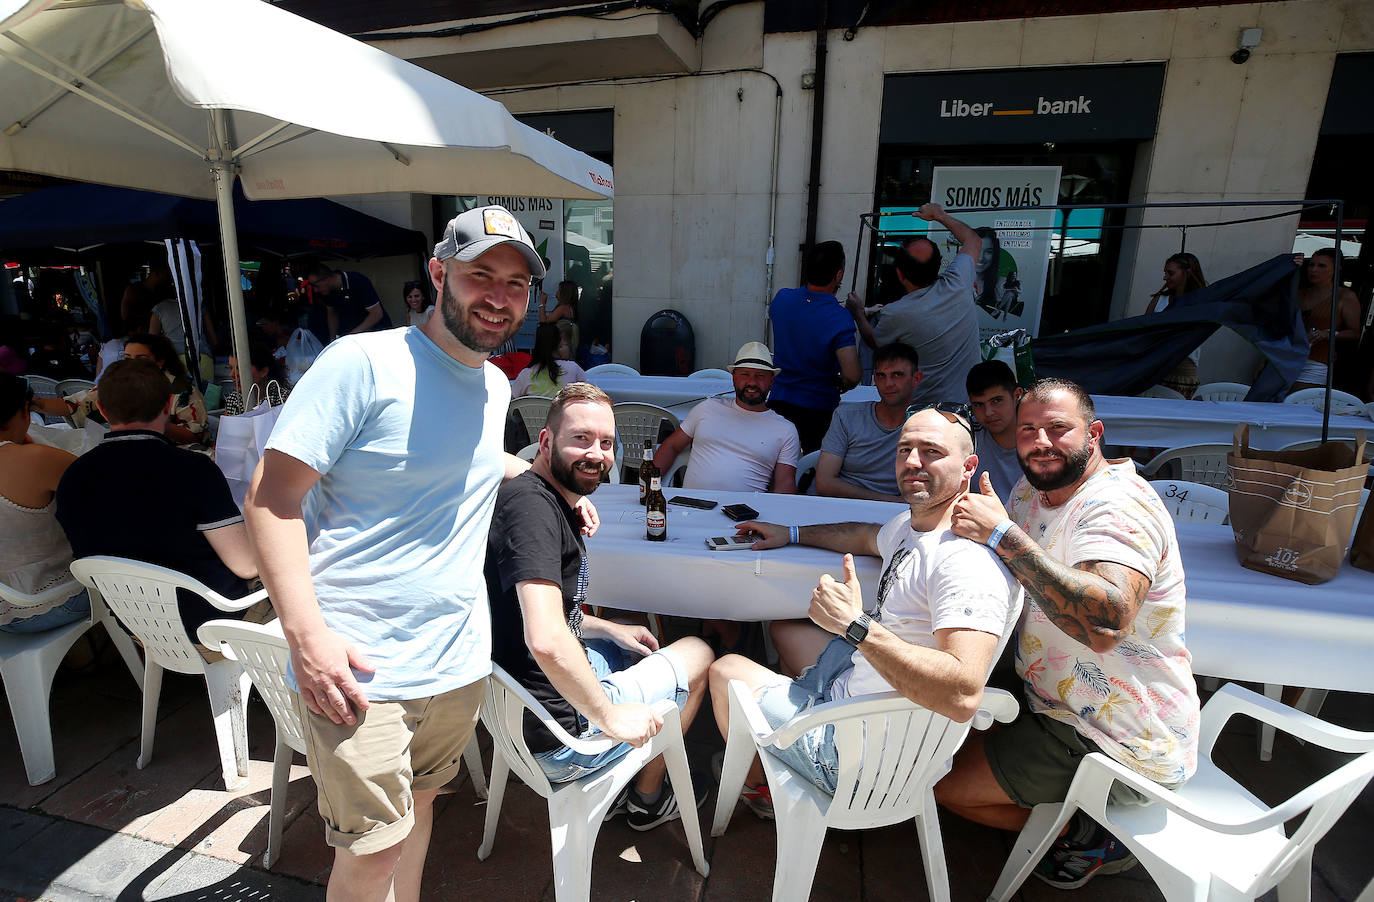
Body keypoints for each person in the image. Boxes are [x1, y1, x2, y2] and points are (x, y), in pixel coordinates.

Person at [244, 204, 589, 902]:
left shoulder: (495, 385)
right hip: (361, 667)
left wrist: (551, 485)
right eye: (480, 275)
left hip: (457, 663)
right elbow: (270, 497)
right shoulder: (362, 363)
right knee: (373, 851)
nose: (498, 296)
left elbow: (471, 458)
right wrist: (306, 639)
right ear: (438, 274)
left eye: (516, 284)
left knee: (422, 811)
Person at [937, 377, 1200, 891]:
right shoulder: (1029, 491)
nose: (1040, 442)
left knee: (942, 786)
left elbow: (1105, 625)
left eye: (1059, 429)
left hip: (1114, 736)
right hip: (1048, 697)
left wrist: (1002, 534)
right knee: (934, 726)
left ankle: (1097, 834)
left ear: (1094, 433)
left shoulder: (1118, 507)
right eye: (1028, 429)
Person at [708, 406, 1019, 819]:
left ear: (968, 467)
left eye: (931, 451)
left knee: (724, 671)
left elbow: (962, 694)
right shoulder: (916, 527)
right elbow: (867, 535)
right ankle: (793, 723)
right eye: (905, 449)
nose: (912, 461)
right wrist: (793, 533)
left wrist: (856, 627)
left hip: (861, 757)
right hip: (861, 695)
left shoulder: (965, 562)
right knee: (785, 629)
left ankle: (761, 787)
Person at [485, 383, 714, 829]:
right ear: (546, 442)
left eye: (606, 443)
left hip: (517, 711)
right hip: (564, 741)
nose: (597, 454)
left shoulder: (533, 497)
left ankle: (621, 786)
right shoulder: (534, 514)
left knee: (628, 633)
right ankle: (647, 799)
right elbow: (548, 638)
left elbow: (554, 617)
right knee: (699, 652)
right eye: (581, 439)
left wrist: (608, 630)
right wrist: (610, 719)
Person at [54, 359, 260, 637]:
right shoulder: (192, 470)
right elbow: (247, 566)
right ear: (167, 407)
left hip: (133, 623)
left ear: (102, 409)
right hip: (211, 621)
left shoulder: (71, 477)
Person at [846, 203, 983, 411]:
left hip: (926, 412)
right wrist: (939, 216)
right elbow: (973, 239)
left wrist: (857, 312)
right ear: (940, 265)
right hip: (971, 407)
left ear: (900, 275)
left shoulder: (897, 313)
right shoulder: (959, 281)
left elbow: (874, 340)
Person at [0, 374, 91, 632]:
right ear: (23, 412)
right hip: (48, 602)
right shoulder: (32, 458)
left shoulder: (29, 455)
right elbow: (104, 487)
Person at [653, 342, 801, 494]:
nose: (752, 382)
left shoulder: (785, 430)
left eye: (760, 376)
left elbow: (785, 485)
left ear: (771, 381)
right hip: (692, 507)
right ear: (734, 377)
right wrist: (650, 487)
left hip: (746, 512)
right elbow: (671, 446)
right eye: (745, 374)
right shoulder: (707, 408)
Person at [767, 240, 863, 452]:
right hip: (817, 410)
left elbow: (805, 315)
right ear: (838, 276)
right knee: (809, 475)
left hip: (778, 402)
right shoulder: (839, 318)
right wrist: (842, 383)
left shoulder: (782, 299)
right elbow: (853, 374)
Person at [31, 333, 207, 444]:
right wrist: (32, 403)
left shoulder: (182, 391)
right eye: (127, 357)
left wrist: (152, 421)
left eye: (141, 357)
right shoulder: (119, 386)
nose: (133, 364)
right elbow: (74, 404)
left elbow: (196, 435)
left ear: (160, 362)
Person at [814, 342, 923, 503]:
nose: (888, 384)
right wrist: (886, 501)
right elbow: (824, 483)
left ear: (916, 379)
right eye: (881, 376)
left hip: (895, 516)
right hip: (840, 506)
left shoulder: (927, 425)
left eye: (897, 375)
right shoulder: (848, 416)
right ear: (874, 378)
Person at [1292, 248, 1361, 392]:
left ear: (1336, 269)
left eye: (1321, 266)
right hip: (1287, 356)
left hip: (1316, 361)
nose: (1314, 270)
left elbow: (1355, 333)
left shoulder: (1344, 297)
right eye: (1311, 265)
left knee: (1298, 403)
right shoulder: (1299, 294)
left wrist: (1328, 334)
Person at [1144, 252, 1208, 397]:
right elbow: (1143, 332)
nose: (1165, 277)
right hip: (1154, 367)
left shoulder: (1200, 303)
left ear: (1188, 273)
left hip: (1183, 371)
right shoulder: (1159, 300)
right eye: (1165, 272)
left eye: (1170, 273)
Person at [966, 360, 1024, 503]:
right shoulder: (967, 435)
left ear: (1017, 396)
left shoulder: (1041, 435)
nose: (988, 412)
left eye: (996, 401)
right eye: (978, 404)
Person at [305, 263, 394, 341]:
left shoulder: (357, 281)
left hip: (377, 333)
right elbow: (332, 314)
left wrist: (350, 336)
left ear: (327, 279)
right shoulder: (327, 291)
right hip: (354, 335)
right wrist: (332, 339)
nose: (315, 290)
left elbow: (376, 314)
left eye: (316, 285)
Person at [511, 322, 589, 398]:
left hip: (534, 411)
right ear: (560, 343)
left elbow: (513, 398)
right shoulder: (573, 368)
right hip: (564, 411)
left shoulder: (526, 374)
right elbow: (587, 393)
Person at [224, 332, 291, 415]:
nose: (232, 374)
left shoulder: (282, 400)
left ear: (263, 371)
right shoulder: (233, 400)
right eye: (231, 368)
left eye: (239, 369)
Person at [540, 279, 581, 357]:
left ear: (564, 293)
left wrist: (542, 303)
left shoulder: (563, 308)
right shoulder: (571, 308)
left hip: (561, 347)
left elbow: (544, 322)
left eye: (559, 290)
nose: (557, 292)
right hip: (567, 346)